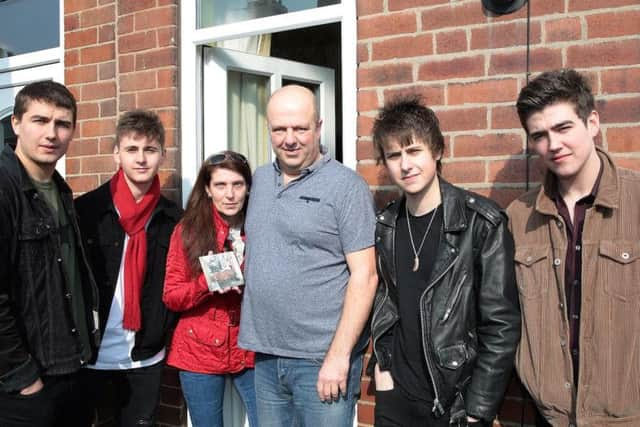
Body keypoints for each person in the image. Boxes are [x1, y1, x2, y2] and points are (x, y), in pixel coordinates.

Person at [368, 95, 521, 427]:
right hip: (395, 399)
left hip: (453, 404)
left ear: (437, 151)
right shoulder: (387, 225)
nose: (405, 165)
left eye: (414, 151)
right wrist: (382, 371)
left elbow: (501, 325)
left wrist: (478, 410)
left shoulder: (481, 222)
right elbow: (386, 300)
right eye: (394, 155)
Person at [238, 84, 378, 426]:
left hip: (320, 361)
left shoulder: (347, 187)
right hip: (266, 356)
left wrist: (340, 356)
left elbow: (365, 275)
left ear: (318, 127)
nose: (290, 139)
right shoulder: (259, 181)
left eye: (300, 128)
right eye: (279, 129)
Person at [507, 69, 640, 426]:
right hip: (548, 416)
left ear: (592, 122)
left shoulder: (636, 201)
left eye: (564, 128)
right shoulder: (518, 218)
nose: (553, 145)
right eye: (540, 135)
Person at [0, 81, 100, 426]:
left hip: (71, 366)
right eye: (40, 121)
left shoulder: (60, 189)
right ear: (16, 124)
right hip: (25, 382)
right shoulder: (5, 189)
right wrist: (22, 375)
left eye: (62, 124)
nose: (51, 133)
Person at [74, 110, 182, 426]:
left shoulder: (173, 219)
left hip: (144, 357)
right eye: (132, 149)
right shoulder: (85, 211)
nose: (141, 159)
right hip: (90, 356)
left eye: (150, 150)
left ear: (162, 155)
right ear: (116, 154)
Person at [163, 151, 258, 427]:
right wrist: (208, 282)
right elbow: (171, 296)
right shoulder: (188, 231)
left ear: (248, 187)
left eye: (237, 184)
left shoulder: (260, 228)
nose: (230, 194)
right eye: (220, 185)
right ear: (207, 189)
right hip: (198, 349)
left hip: (250, 346)